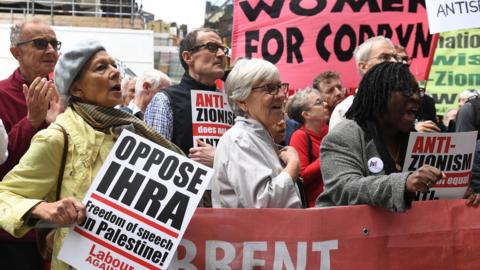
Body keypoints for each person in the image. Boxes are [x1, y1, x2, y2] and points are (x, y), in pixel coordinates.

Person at [0, 39, 182, 270]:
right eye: (101, 67)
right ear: (76, 88)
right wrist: (44, 209)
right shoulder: (58, 136)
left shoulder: (134, 132)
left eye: (114, 65)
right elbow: (5, 195)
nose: (115, 72)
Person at [317, 62, 445, 212]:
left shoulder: (417, 139)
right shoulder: (343, 136)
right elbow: (344, 188)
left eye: (418, 91)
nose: (416, 97)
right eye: (407, 90)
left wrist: (461, 194)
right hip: (352, 232)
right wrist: (404, 183)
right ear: (379, 94)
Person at [0, 17, 63, 269]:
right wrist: (32, 121)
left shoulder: (68, 94)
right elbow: (3, 166)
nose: (50, 50)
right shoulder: (2, 95)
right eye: (40, 43)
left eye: (54, 44)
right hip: (16, 234)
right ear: (16, 52)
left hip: (62, 229)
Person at [211, 58, 302, 208]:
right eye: (270, 88)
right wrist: (293, 165)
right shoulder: (239, 140)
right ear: (242, 101)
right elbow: (263, 203)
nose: (281, 95)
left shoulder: (257, 136)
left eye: (280, 86)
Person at [145, 28, 227, 167]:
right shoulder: (165, 100)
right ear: (188, 57)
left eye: (223, 49)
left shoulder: (231, 102)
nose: (221, 54)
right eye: (211, 47)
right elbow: (154, 163)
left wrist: (219, 160)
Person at [329, 36, 397, 130]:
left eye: (395, 57)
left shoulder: (406, 104)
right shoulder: (345, 110)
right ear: (363, 66)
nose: (394, 62)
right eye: (384, 57)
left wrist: (415, 132)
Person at [287, 88, 329, 207]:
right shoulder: (299, 136)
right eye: (318, 102)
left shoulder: (331, 130)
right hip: (316, 207)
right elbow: (301, 177)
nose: (325, 104)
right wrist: (327, 156)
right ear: (306, 114)